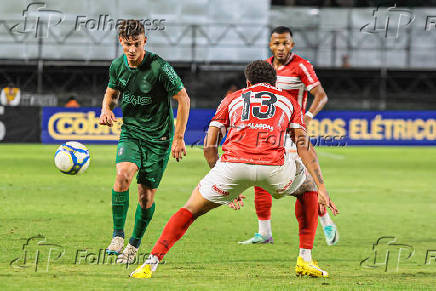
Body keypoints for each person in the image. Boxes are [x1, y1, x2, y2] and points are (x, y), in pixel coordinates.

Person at [129, 60, 338, 279]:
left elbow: (210, 146)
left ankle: (150, 263)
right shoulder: (288, 101)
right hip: (274, 169)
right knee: (308, 188)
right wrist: (322, 187)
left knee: (191, 209)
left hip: (232, 167)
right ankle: (305, 259)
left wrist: (220, 178)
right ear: (275, 82)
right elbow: (303, 145)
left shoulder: (232, 99)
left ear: (247, 82)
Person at [98, 20, 190, 264]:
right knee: (123, 175)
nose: (131, 49)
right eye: (127, 44)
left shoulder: (159, 67)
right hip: (131, 132)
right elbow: (111, 92)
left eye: (136, 44)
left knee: (145, 197)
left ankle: (133, 245)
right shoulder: (117, 66)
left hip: (159, 139)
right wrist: (105, 110)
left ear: (144, 42)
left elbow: (184, 99)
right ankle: (118, 236)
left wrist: (178, 138)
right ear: (121, 42)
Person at [239, 26, 338, 246]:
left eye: (285, 43)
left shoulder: (301, 66)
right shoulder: (266, 68)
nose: (281, 47)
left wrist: (308, 117)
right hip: (270, 132)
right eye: (276, 43)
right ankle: (264, 232)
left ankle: (326, 222)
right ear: (270, 45)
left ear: (292, 45)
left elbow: (321, 96)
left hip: (293, 134)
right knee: (259, 177)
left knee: (306, 181)